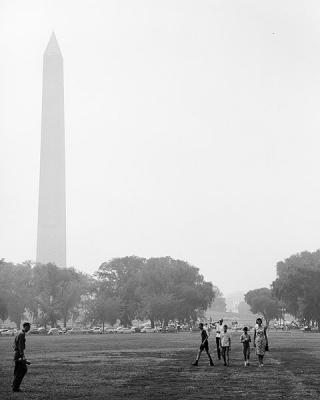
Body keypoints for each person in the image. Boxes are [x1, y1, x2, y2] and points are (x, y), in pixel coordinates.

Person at [12, 322, 31, 392]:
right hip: (19, 354)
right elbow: (20, 346)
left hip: (16, 353)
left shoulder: (18, 332)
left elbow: (15, 344)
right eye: (28, 327)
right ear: (25, 327)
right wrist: (23, 356)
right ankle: (16, 387)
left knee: (17, 371)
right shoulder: (22, 334)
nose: (29, 329)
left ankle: (14, 385)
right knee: (22, 370)